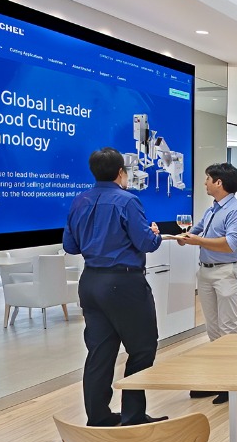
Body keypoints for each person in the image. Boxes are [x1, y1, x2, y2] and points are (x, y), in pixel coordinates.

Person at [62, 147, 166, 427]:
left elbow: (70, 246)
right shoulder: (128, 201)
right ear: (121, 172)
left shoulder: (79, 201)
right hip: (124, 283)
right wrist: (155, 234)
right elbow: (145, 243)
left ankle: (98, 417)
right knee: (142, 348)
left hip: (90, 282)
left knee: (99, 352)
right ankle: (133, 415)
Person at [171, 162, 237, 404]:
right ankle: (218, 380)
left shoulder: (236, 211)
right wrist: (184, 237)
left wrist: (198, 241)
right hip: (206, 272)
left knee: (228, 330)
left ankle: (232, 385)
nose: (204, 182)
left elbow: (230, 244)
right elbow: (195, 232)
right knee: (213, 330)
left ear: (218, 182)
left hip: (226, 273)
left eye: (207, 179)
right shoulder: (212, 208)